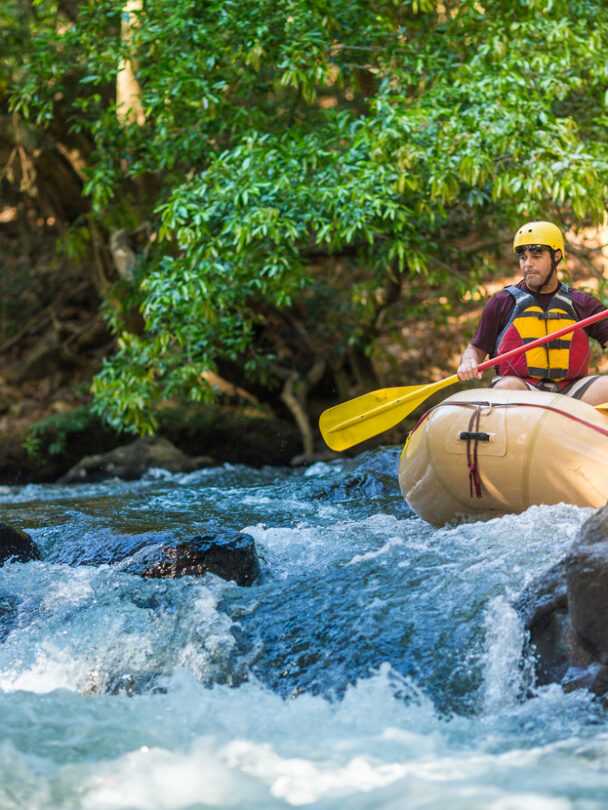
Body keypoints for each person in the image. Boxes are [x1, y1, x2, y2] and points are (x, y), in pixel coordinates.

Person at [457, 220, 608, 405]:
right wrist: (468, 362)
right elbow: (475, 349)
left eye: (536, 256)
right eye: (523, 258)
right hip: (522, 388)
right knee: (506, 389)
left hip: (573, 390)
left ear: (557, 256)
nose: (528, 264)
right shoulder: (502, 303)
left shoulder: (582, 303)